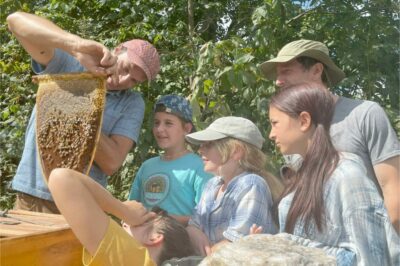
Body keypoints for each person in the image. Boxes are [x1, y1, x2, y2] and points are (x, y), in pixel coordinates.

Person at [7, 11, 160, 214]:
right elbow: (15, 21)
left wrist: (77, 111)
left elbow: (112, 163)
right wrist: (75, 45)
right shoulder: (70, 62)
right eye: (126, 68)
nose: (124, 80)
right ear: (118, 50)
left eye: (134, 80)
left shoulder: (131, 102)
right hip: (31, 194)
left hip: (83, 206)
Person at [260, 39, 400, 232]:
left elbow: (393, 192)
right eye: (278, 74)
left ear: (317, 70)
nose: (278, 81)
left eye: (286, 71)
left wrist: (381, 251)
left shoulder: (364, 114)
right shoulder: (292, 131)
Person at [268, 83, 399, 265]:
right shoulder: (301, 173)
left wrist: (290, 247)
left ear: (304, 121)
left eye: (275, 123)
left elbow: (369, 258)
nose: (271, 134)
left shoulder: (347, 175)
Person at [47, 168, 195, 266]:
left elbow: (62, 179)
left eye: (139, 222)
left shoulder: (135, 260)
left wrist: (125, 211)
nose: (125, 222)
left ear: (154, 238)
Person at [184, 116, 283, 255]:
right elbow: (192, 226)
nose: (200, 150)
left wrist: (206, 252)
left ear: (236, 151)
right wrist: (194, 232)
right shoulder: (212, 185)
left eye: (209, 144)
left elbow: (236, 247)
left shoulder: (251, 185)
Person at [128, 94, 212, 225]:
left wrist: (162, 219)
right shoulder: (147, 166)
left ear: (187, 129)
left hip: (178, 242)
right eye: (156, 123)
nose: (159, 129)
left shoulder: (200, 167)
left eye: (168, 123)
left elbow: (206, 218)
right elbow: (132, 206)